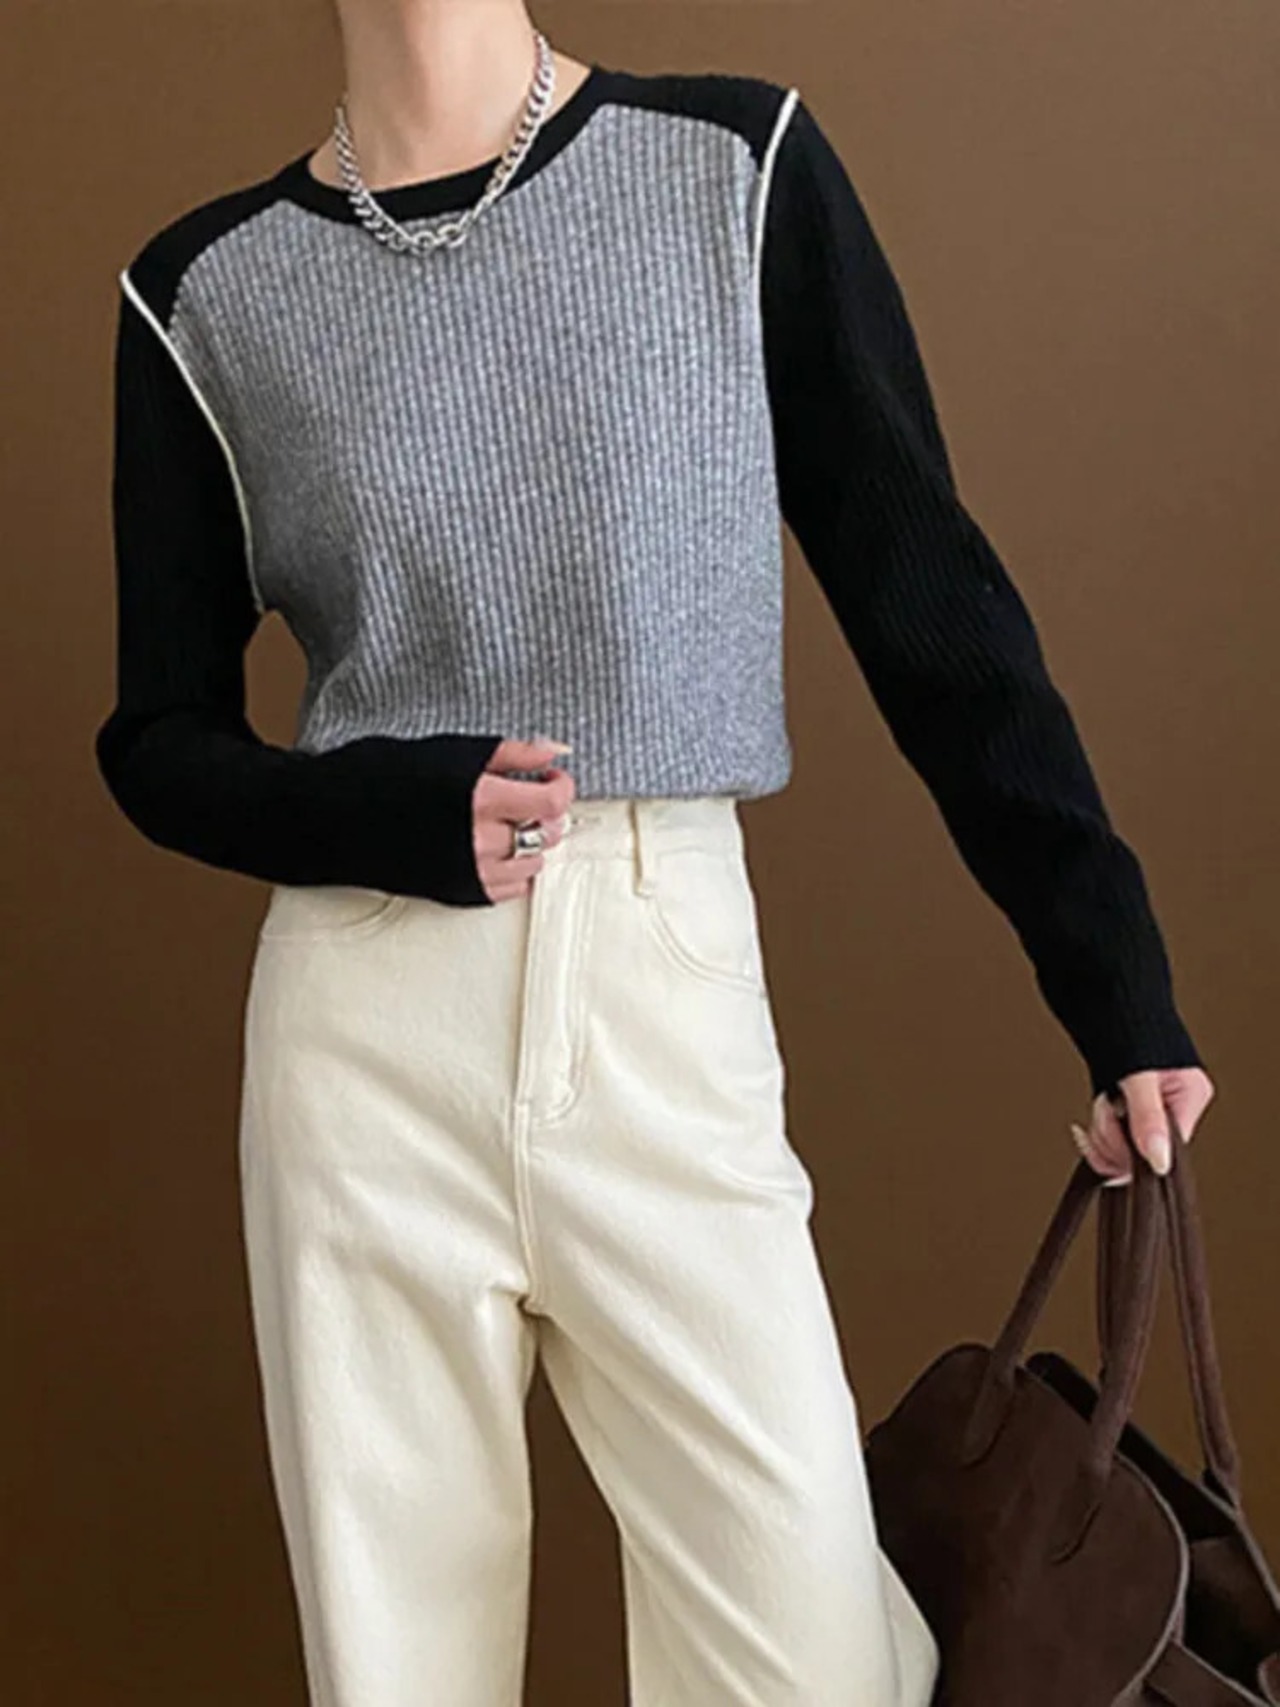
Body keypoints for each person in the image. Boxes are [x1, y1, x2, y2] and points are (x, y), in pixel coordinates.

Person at [95, 4, 1215, 1703]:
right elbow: (157, 739)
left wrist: (1115, 983)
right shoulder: (204, 293)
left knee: (811, 1660)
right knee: (397, 1672)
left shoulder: (729, 170)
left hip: (659, 975)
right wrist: (386, 809)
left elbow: (932, 605)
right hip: (359, 1024)